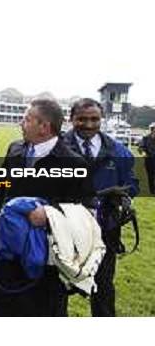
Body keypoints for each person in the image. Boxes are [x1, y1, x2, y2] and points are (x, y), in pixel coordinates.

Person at [0, 98, 93, 317]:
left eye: (26, 119)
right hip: (8, 247)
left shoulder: (74, 163)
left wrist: (49, 214)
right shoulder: (15, 149)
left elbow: (82, 212)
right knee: (4, 309)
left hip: (44, 257)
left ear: (44, 127)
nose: (20, 123)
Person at [62, 99, 139, 317]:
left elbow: (132, 184)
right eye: (82, 119)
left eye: (94, 119)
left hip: (106, 230)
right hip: (64, 230)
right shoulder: (56, 148)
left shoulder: (120, 151)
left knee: (103, 287)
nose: (88, 124)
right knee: (57, 288)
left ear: (101, 119)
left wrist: (124, 197)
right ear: (71, 119)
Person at [138, 123, 155, 194]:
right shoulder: (145, 138)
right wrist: (143, 152)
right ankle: (152, 190)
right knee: (151, 176)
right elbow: (141, 147)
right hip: (150, 161)